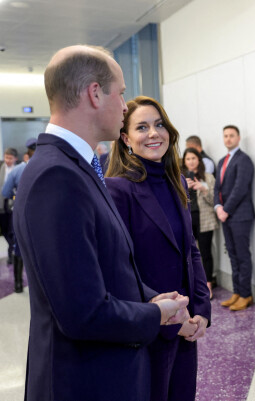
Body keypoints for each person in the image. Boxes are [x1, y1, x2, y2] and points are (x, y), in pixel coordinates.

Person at [12, 45, 189, 401]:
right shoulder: (56, 176)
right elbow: (83, 313)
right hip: (84, 382)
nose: (125, 106)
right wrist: (154, 315)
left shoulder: (76, 167)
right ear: (95, 93)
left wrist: (151, 296)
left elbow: (107, 268)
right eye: (121, 93)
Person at [106, 95, 211, 400]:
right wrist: (169, 320)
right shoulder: (118, 189)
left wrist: (200, 312)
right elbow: (121, 269)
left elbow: (190, 249)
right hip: (149, 329)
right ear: (126, 138)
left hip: (186, 324)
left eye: (159, 124)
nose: (153, 133)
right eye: (142, 127)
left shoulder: (175, 179)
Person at [214, 125, 255, 311]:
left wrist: (226, 210)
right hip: (226, 215)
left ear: (238, 138)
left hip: (240, 215)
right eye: (225, 136)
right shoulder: (222, 161)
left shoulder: (244, 160)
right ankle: (237, 292)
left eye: (232, 136)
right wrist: (217, 207)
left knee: (242, 256)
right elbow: (217, 187)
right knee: (232, 255)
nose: (228, 139)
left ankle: (246, 295)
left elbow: (240, 188)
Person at [182, 147, 219, 299]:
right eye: (188, 159)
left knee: (205, 253)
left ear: (199, 160)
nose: (191, 162)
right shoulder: (180, 178)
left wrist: (203, 189)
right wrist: (185, 188)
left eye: (194, 158)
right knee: (188, 254)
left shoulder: (209, 177)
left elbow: (214, 200)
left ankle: (208, 285)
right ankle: (192, 284)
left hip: (205, 220)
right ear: (184, 161)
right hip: (187, 220)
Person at [3, 139, 36, 293]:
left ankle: (17, 284)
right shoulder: (51, 166)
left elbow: (6, 192)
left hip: (21, 214)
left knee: (19, 248)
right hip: (44, 217)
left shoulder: (17, 171)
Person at [0, 147, 17, 264]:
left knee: (11, 230)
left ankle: (11, 252)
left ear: (15, 159)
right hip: (1, 203)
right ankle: (12, 246)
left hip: (12, 204)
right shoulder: (1, 168)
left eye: (10, 158)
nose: (8, 160)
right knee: (4, 230)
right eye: (6, 157)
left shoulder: (18, 170)